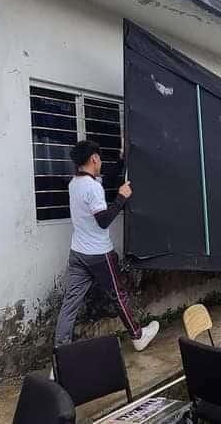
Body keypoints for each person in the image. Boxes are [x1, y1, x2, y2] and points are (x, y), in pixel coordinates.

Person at [53, 140, 160, 355]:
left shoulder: (75, 183)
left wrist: (121, 160)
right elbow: (103, 220)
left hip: (78, 253)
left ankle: (60, 353)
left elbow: (107, 178)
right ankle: (138, 336)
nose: (100, 162)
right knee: (118, 296)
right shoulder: (92, 187)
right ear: (94, 158)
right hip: (99, 254)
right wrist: (122, 198)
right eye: (99, 158)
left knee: (70, 304)